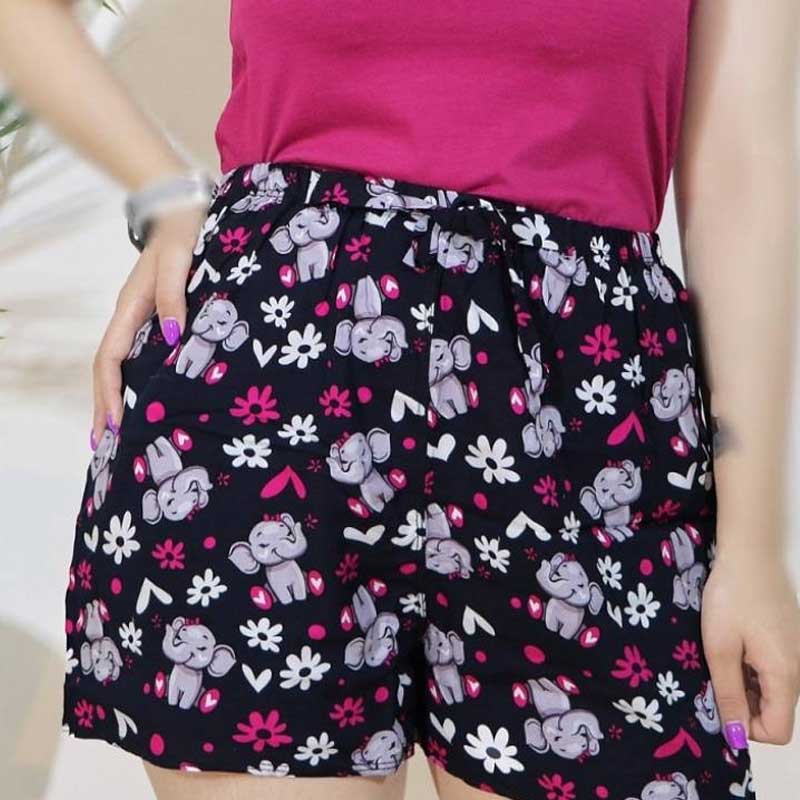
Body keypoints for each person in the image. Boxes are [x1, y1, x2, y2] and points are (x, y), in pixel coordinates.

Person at [1, 1, 799, 799]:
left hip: (590, 423)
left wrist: (753, 549)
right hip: (270, 399)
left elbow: (744, 164)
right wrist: (164, 194)